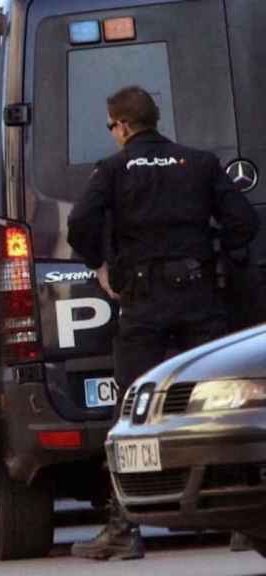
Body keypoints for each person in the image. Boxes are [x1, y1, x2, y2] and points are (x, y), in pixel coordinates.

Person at [67, 85, 259, 561]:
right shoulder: (199, 163)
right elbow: (243, 223)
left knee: (134, 407)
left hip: (144, 302)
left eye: (111, 127)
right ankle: (243, 521)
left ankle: (124, 528)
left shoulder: (113, 170)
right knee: (219, 404)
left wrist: (101, 266)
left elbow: (80, 225)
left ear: (124, 126)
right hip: (199, 297)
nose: (112, 135)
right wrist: (220, 257)